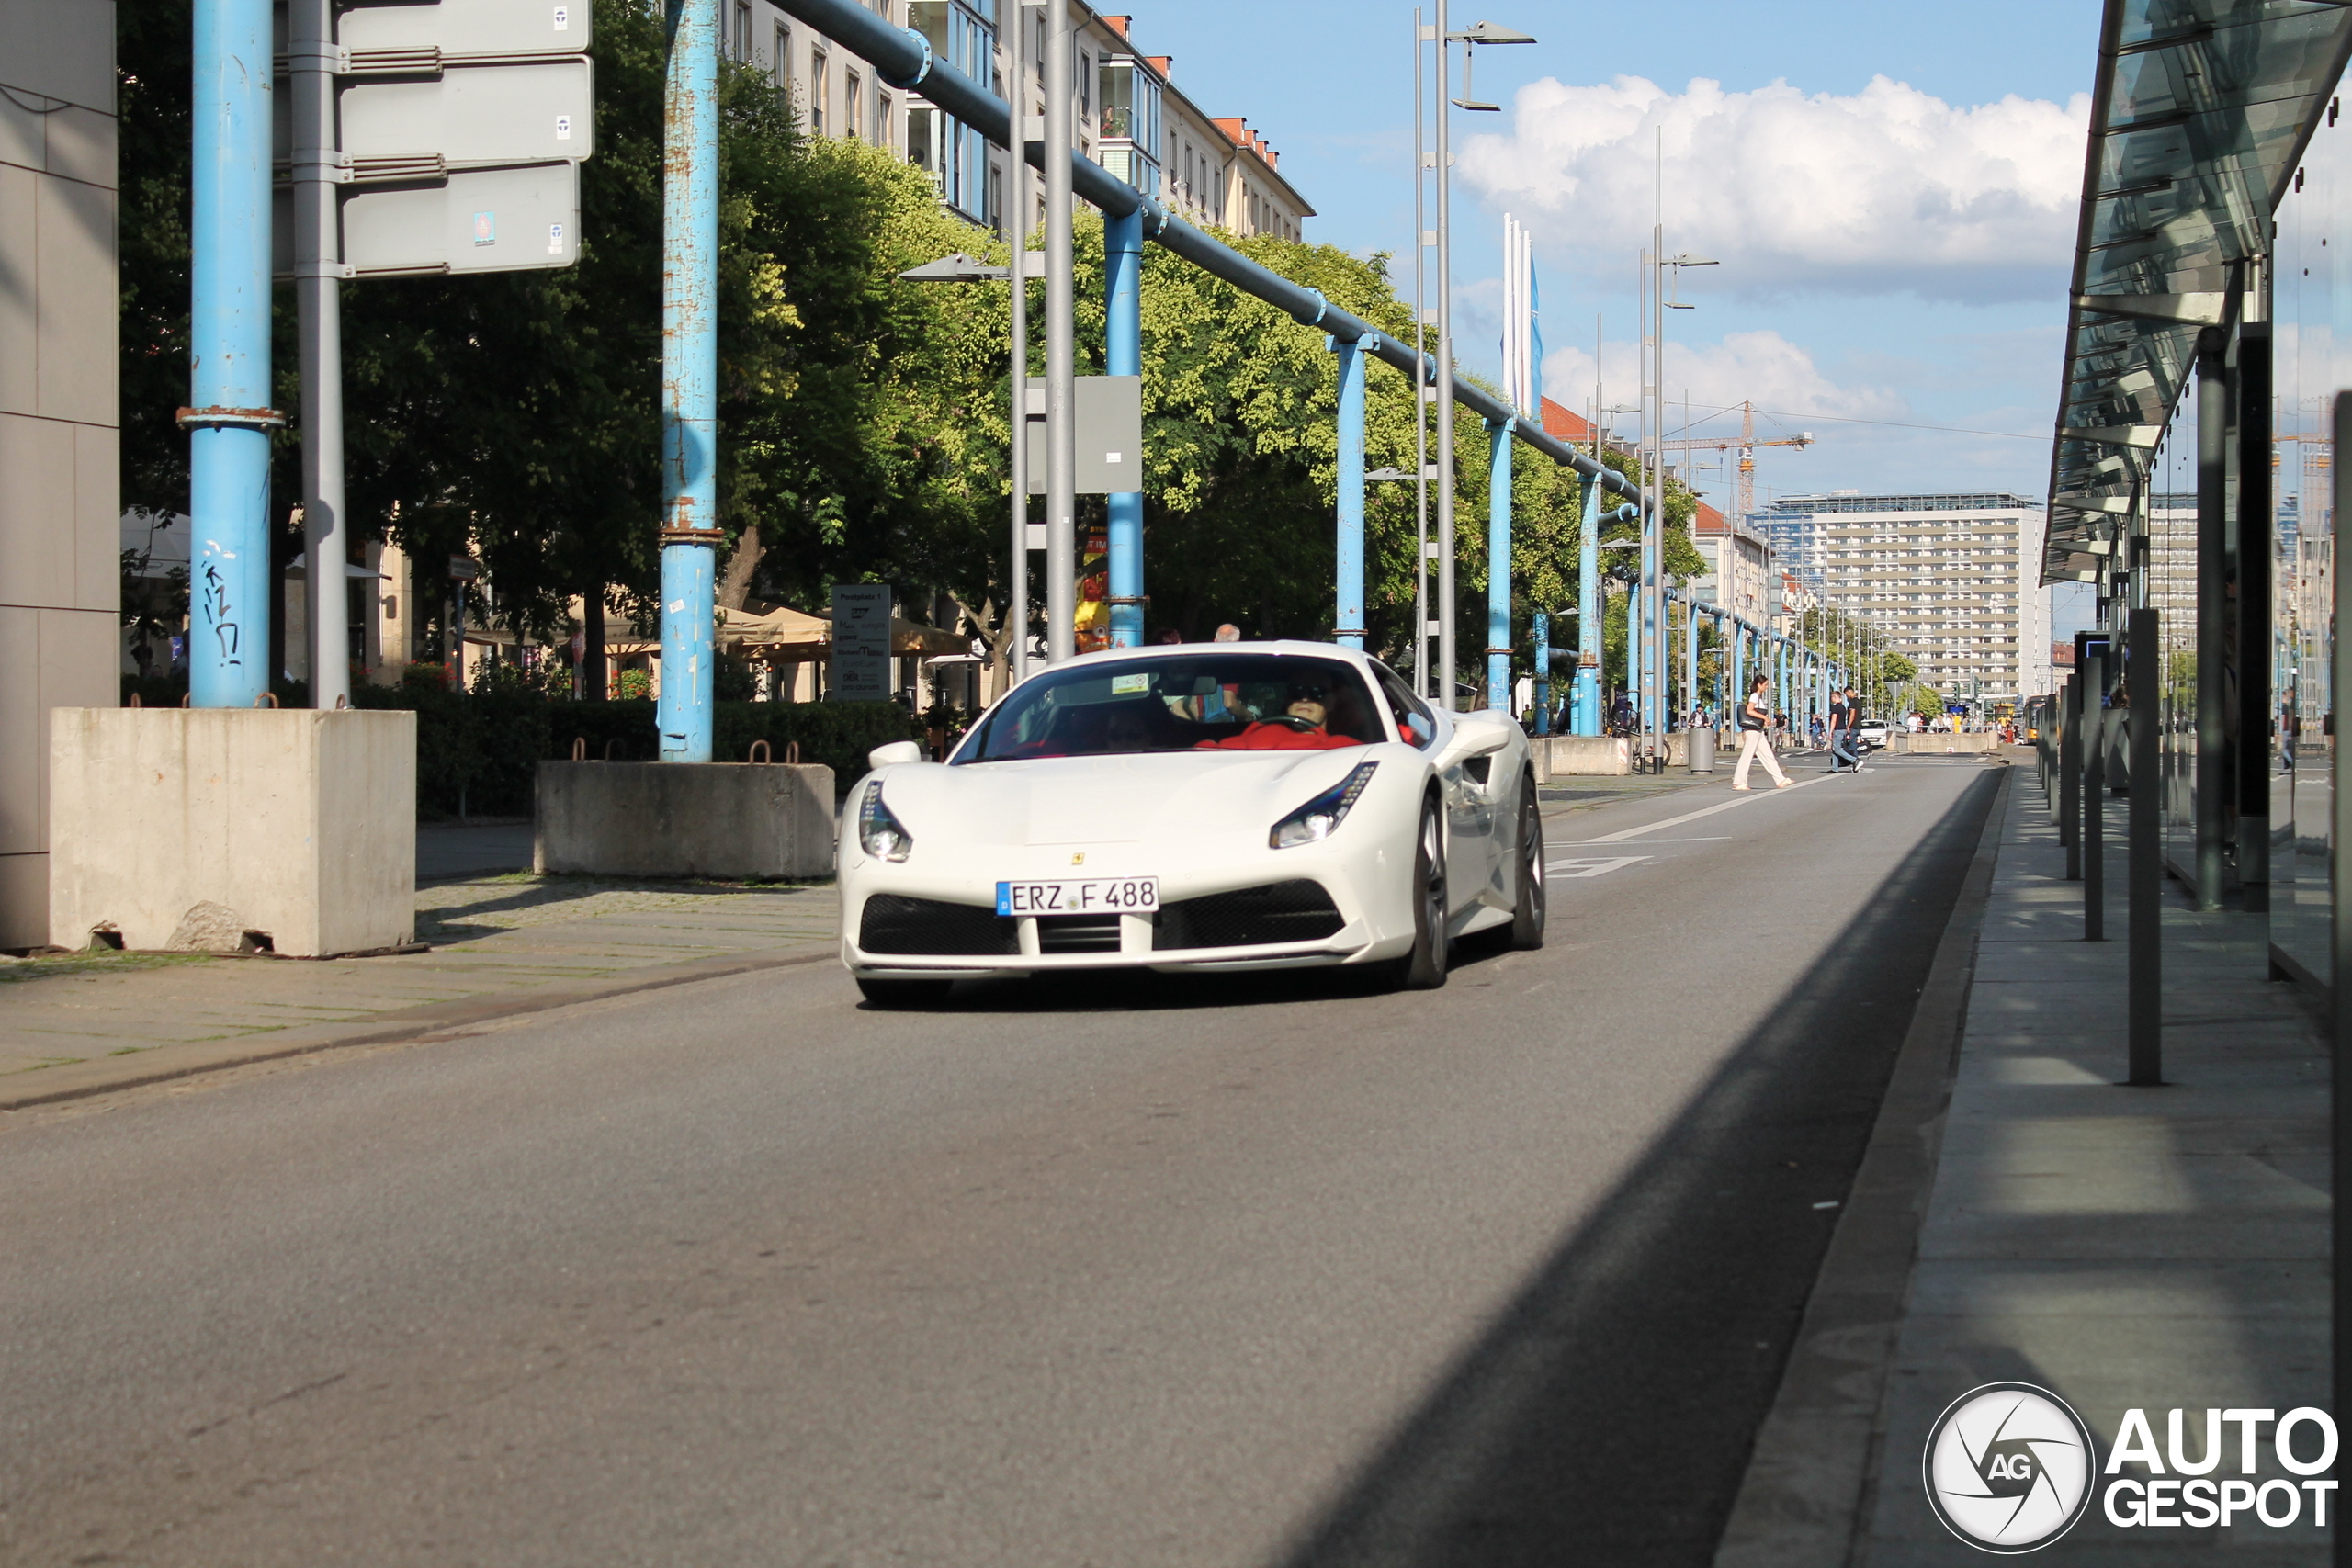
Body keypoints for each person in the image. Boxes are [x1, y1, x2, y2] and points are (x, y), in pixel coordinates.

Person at [1732, 673, 1792, 791]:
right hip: (1752, 731)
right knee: (1747, 756)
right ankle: (1738, 782)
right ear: (1759, 685)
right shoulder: (1755, 696)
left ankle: (1780, 779)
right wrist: (1764, 718)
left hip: (1758, 730)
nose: (1767, 687)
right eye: (1765, 685)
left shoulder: (1758, 697)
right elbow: (1749, 710)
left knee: (1768, 755)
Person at [1827, 685, 1860, 773]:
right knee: (1835, 749)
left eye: (1832, 697)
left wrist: (1830, 732)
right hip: (1843, 729)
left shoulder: (1835, 708)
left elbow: (1834, 720)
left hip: (1838, 730)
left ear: (1835, 697)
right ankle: (1835, 768)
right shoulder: (1843, 707)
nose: (1831, 699)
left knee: (1837, 749)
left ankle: (1853, 760)